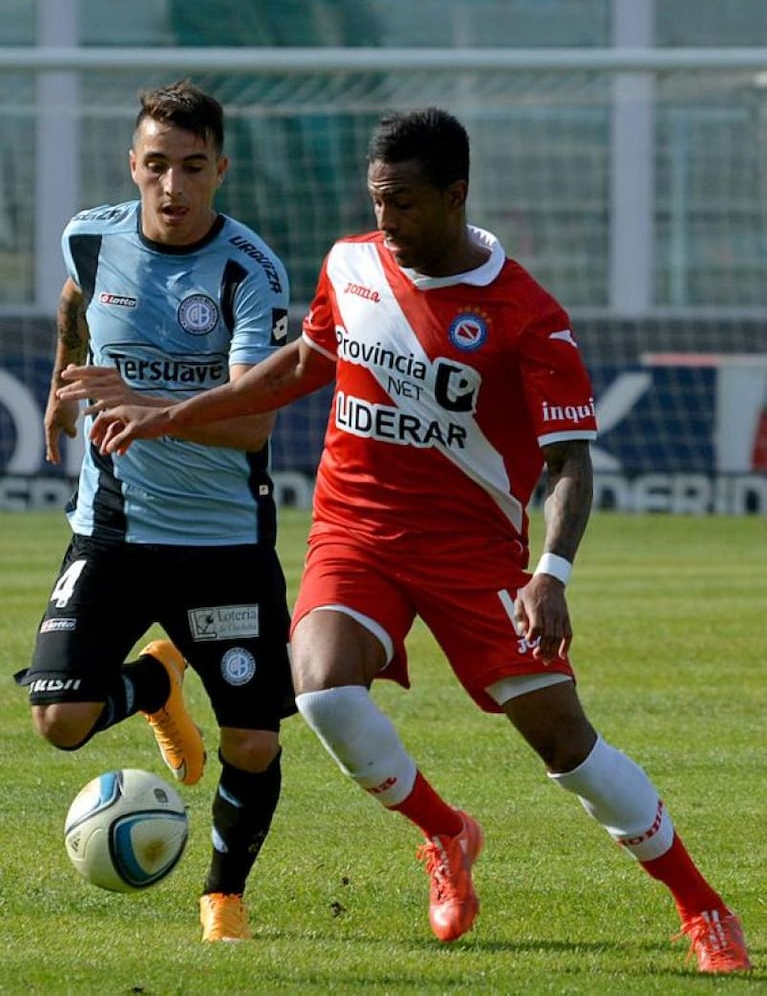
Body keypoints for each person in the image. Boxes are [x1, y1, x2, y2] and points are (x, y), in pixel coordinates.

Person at [86, 107, 751, 973]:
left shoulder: (526, 315)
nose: (385, 222)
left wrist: (550, 572)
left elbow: (569, 463)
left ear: (454, 196)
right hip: (354, 531)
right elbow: (296, 367)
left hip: (472, 554)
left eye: (401, 203)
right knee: (320, 689)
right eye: (376, 201)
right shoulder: (350, 264)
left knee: (566, 746)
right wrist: (169, 416)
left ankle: (702, 906)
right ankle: (444, 832)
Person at [15, 80, 295, 943]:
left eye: (193, 168)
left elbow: (253, 418)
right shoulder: (90, 236)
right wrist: (68, 383)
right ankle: (152, 684)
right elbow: (73, 298)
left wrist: (140, 395)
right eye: (157, 167)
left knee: (250, 740)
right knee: (59, 722)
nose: (173, 188)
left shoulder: (249, 270)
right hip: (114, 531)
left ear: (221, 170)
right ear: (132, 166)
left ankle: (223, 896)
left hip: (222, 544)